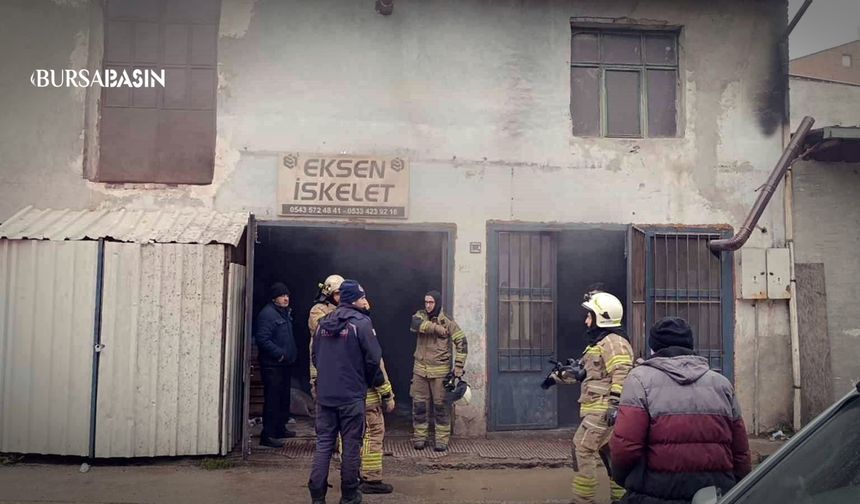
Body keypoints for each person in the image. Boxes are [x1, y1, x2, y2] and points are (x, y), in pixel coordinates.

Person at [610, 317, 751, 504]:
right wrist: (738, 486)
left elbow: (626, 447)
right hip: (714, 492)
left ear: (653, 348)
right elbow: (740, 449)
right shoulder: (721, 384)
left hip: (654, 493)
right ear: (690, 345)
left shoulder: (639, 380)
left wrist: (624, 479)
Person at [553, 290, 633, 504]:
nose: (586, 321)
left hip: (603, 410)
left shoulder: (614, 342)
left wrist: (615, 404)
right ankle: (620, 498)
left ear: (602, 317)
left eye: (590, 316)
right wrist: (558, 377)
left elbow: (623, 371)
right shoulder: (599, 344)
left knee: (582, 448)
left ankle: (583, 499)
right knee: (610, 454)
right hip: (599, 409)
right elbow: (585, 373)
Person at [308, 280, 385, 504]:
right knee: (351, 445)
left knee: (323, 445)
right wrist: (370, 382)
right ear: (352, 299)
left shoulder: (322, 324)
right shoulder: (361, 323)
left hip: (325, 396)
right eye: (361, 297)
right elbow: (373, 360)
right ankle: (350, 496)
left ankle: (317, 496)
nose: (364, 301)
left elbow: (315, 357)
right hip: (351, 396)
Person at [409, 290, 467, 452]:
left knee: (441, 407)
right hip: (420, 371)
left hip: (440, 373)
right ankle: (420, 438)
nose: (428, 305)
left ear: (437, 303)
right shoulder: (420, 315)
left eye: (431, 302)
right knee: (419, 406)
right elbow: (415, 324)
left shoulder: (447, 321)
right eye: (426, 302)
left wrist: (458, 367)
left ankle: (441, 440)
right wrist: (436, 328)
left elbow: (462, 342)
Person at [253, 282, 298, 448]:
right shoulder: (268, 314)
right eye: (282, 296)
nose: (286, 298)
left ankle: (280, 428)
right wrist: (279, 354)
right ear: (274, 298)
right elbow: (262, 339)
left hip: (284, 365)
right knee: (272, 400)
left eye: (287, 295)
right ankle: (268, 434)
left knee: (282, 398)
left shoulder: (284, 313)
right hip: (273, 365)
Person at [309, 274, 344, 399]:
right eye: (337, 293)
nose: (340, 297)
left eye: (343, 293)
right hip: (321, 365)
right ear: (328, 294)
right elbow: (325, 328)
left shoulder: (348, 310)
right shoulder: (317, 310)